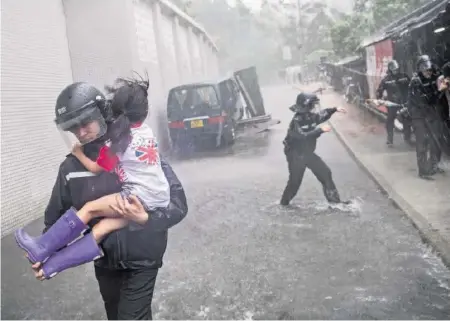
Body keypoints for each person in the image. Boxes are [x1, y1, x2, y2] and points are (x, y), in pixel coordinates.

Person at [21, 81, 188, 319]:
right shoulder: (70, 167)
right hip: (105, 262)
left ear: (102, 115)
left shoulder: (138, 151)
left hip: (144, 258)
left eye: (85, 124)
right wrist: (46, 258)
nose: (80, 133)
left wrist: (146, 218)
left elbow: (178, 204)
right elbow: (54, 219)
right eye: (73, 128)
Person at [280, 92, 348, 206]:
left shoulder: (310, 116)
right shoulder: (296, 121)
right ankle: (284, 203)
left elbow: (322, 115)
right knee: (295, 182)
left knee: (325, 173)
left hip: (307, 153)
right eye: (312, 105)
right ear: (306, 105)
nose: (314, 107)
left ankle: (335, 203)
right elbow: (303, 136)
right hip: (295, 155)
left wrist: (335, 109)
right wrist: (320, 130)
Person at [408, 55, 444, 180]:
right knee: (422, 142)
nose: (427, 72)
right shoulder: (416, 82)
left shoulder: (434, 75)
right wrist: (439, 92)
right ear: (420, 70)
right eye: (425, 70)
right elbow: (425, 101)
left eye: (428, 69)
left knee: (436, 140)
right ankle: (423, 171)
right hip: (419, 115)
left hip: (431, 113)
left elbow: (440, 80)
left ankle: (433, 164)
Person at [376, 59, 412, 146]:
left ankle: (407, 138)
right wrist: (379, 98)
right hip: (392, 104)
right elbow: (379, 90)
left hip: (403, 102)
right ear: (390, 69)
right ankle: (390, 140)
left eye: (396, 69)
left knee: (407, 120)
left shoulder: (404, 76)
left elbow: (412, 86)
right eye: (393, 69)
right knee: (389, 121)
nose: (395, 70)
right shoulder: (386, 79)